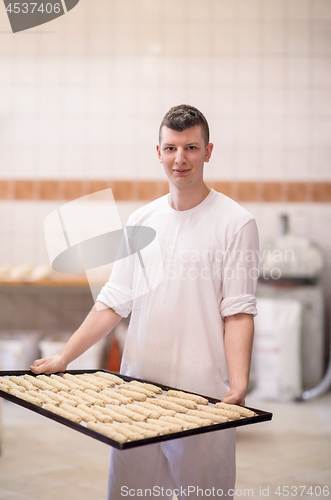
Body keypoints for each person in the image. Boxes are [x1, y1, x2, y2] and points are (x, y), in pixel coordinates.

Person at [31, 104, 259, 500]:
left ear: (208, 151)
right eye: (171, 148)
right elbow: (113, 302)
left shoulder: (235, 223)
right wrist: (64, 357)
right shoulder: (142, 221)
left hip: (202, 395)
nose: (180, 159)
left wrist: (238, 384)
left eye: (190, 148)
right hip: (138, 391)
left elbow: (238, 312)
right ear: (158, 152)